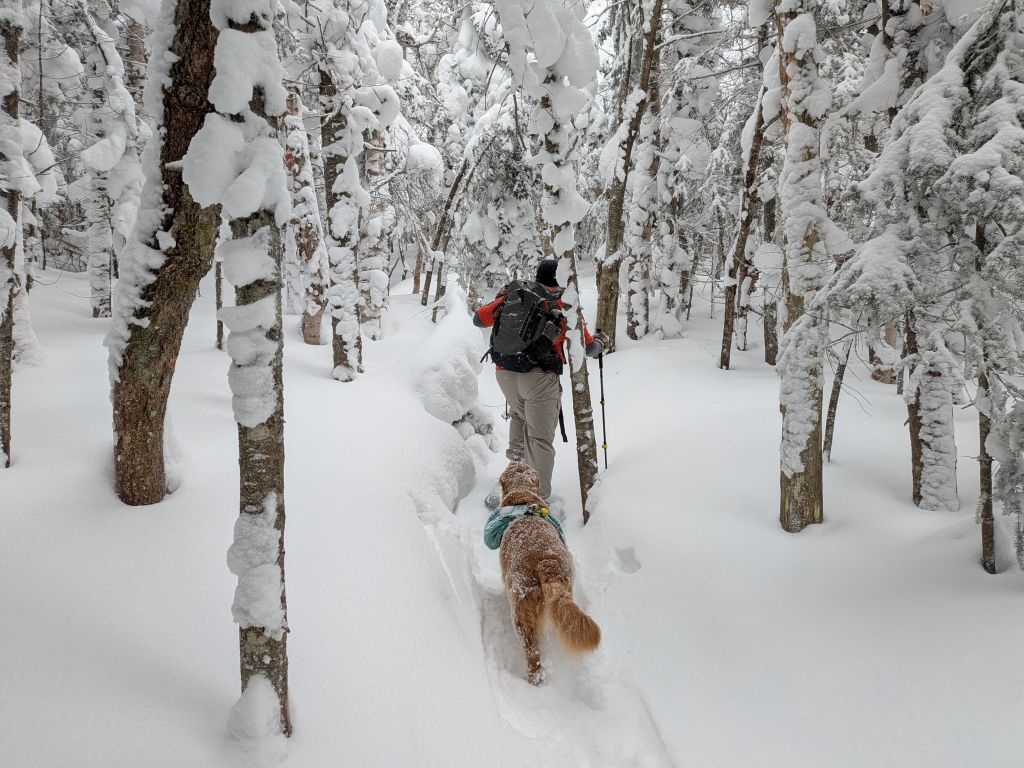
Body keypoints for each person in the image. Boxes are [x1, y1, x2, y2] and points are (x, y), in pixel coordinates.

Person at [473, 259, 604, 500]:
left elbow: (479, 319)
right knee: (540, 439)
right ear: (562, 279)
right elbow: (587, 346)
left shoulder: (518, 296)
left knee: (519, 416)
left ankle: (512, 479)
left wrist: (502, 296)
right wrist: (600, 343)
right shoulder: (564, 305)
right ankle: (535, 499)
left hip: (504, 372)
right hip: (538, 379)